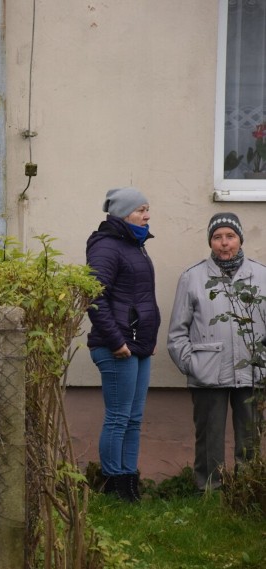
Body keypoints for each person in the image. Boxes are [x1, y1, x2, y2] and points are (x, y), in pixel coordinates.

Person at [167, 213, 265, 491]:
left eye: (230, 236)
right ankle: (209, 491)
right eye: (217, 237)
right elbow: (177, 333)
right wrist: (193, 365)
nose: (224, 243)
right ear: (210, 241)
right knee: (209, 437)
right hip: (208, 375)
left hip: (253, 371)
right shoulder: (192, 277)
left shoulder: (261, 275)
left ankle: (247, 491)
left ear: (240, 239)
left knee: (250, 436)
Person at [85, 187, 160, 502]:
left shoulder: (134, 244)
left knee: (134, 418)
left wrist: (146, 339)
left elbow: (138, 298)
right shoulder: (106, 247)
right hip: (117, 346)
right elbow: (94, 297)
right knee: (118, 417)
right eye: (141, 209)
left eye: (147, 209)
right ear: (124, 213)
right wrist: (117, 342)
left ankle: (129, 482)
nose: (147, 215)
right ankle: (113, 484)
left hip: (136, 346)